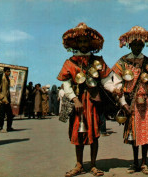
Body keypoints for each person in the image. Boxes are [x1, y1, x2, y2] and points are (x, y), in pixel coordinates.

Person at [57, 22, 112, 177]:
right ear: (76, 43)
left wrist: (116, 89)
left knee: (94, 133)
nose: (83, 44)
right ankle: (79, 165)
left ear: (90, 43)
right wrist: (75, 100)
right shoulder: (70, 62)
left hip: (93, 101)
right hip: (78, 102)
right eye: (80, 42)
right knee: (78, 133)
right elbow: (66, 84)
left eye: (85, 41)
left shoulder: (98, 61)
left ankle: (94, 165)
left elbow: (106, 80)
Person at [112, 26, 148, 175]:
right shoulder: (122, 62)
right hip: (130, 103)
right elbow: (118, 85)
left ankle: (144, 163)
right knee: (133, 134)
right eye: (134, 44)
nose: (137, 46)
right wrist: (123, 103)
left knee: (146, 133)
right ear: (129, 44)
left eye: (140, 44)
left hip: (146, 103)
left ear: (143, 45)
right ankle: (135, 163)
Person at [0, 67, 15, 132]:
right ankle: (0, 128)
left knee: (9, 114)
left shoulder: (8, 79)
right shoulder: (2, 79)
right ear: (4, 72)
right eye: (7, 71)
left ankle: (9, 127)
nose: (9, 72)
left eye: (9, 71)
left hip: (7, 99)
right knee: (3, 114)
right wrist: (2, 98)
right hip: (3, 100)